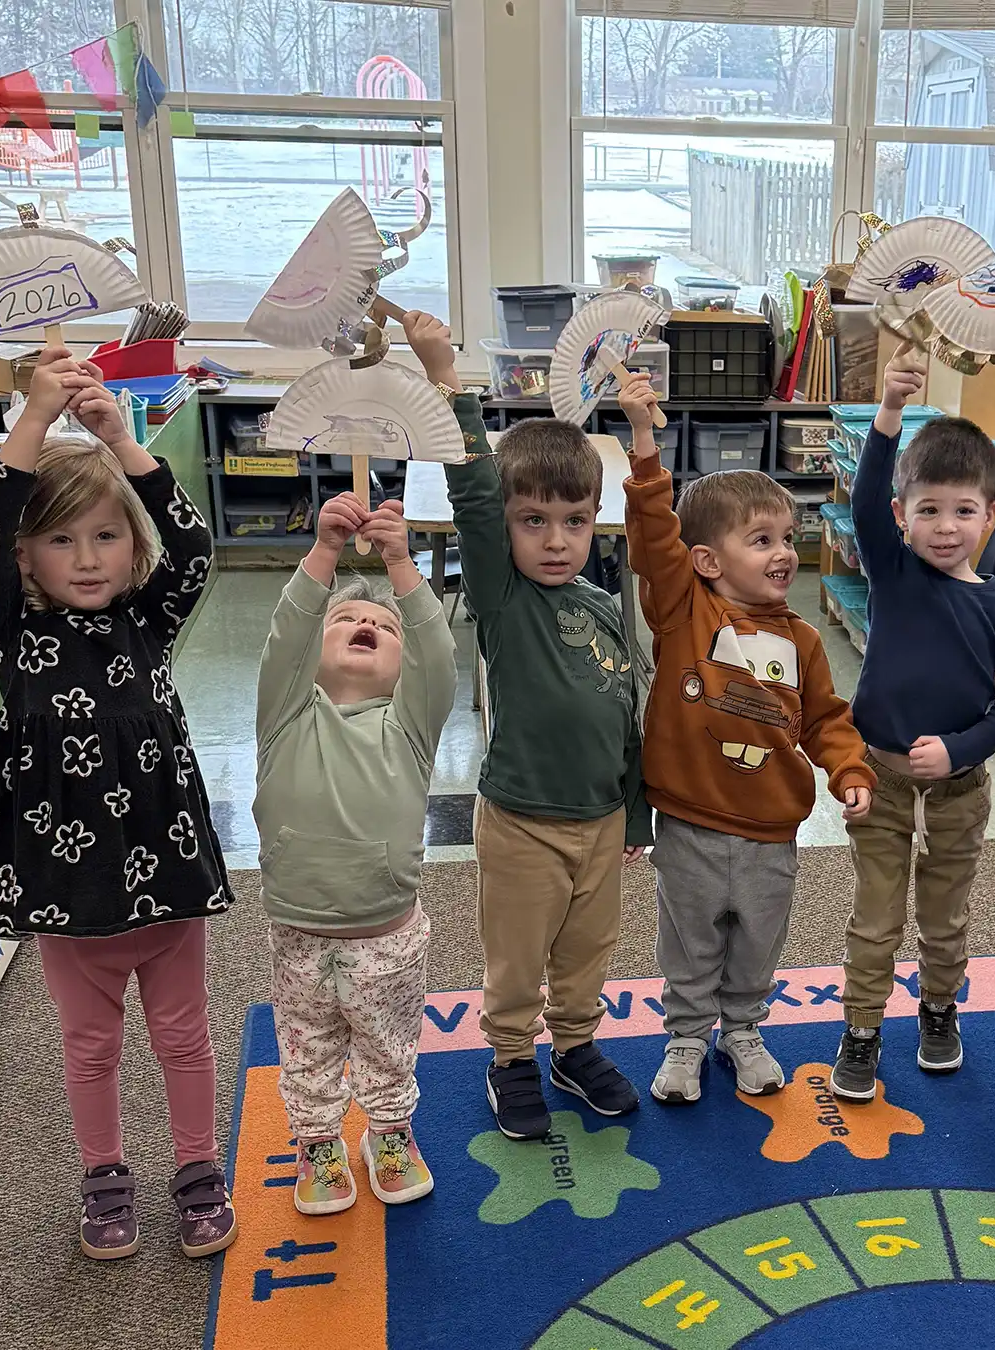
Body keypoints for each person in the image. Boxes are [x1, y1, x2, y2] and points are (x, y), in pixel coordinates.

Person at [0, 345, 237, 1260]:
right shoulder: (14, 627)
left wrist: (122, 441)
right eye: (60, 540)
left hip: (162, 869)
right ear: (26, 556)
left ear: (132, 547)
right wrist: (33, 424)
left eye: (106, 537)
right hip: (62, 884)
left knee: (184, 1036)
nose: (86, 559)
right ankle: (105, 1173)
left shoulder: (146, 618)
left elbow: (194, 546)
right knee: (89, 1048)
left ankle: (198, 1168)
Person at [415, 313, 652, 1140]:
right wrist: (451, 384)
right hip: (521, 824)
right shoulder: (504, 600)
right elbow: (476, 497)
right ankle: (512, 1056)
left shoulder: (600, 603)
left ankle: (574, 1047)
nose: (557, 542)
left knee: (589, 954)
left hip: (602, 821)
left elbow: (629, 714)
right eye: (533, 522)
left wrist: (637, 812)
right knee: (518, 960)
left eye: (576, 522)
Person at [617, 371, 875, 1105]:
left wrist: (849, 773)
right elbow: (653, 538)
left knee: (758, 941)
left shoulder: (802, 639)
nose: (783, 553)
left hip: (771, 828)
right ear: (707, 561)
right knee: (690, 941)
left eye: (788, 538)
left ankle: (744, 1030)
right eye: (760, 540)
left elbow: (826, 719)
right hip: (692, 824)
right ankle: (687, 1037)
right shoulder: (683, 612)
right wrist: (643, 442)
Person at [830, 349, 995, 1100]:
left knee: (946, 920)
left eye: (963, 511)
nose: (945, 528)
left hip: (959, 791)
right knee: (875, 918)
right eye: (928, 510)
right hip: (879, 783)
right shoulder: (892, 568)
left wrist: (959, 750)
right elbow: (862, 499)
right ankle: (861, 1028)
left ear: (992, 512)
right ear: (901, 516)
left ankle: (940, 1010)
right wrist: (887, 409)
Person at [254, 488, 458, 1214]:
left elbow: (437, 652)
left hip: (388, 934)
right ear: (317, 649)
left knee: (388, 1044)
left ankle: (390, 1133)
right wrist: (325, 554)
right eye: (347, 618)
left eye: (382, 626)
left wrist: (401, 564)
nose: (367, 624)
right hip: (299, 930)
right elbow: (286, 635)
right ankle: (318, 1143)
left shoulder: (410, 727)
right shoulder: (284, 714)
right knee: (306, 1047)